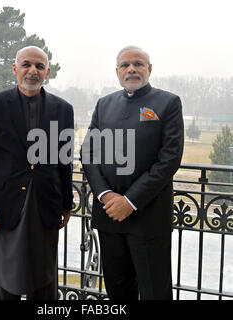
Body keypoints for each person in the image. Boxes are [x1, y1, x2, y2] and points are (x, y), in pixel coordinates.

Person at [81, 45, 184, 300]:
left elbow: (169, 159)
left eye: (138, 64)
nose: (131, 69)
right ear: (117, 71)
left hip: (148, 218)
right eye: (125, 65)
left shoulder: (168, 102)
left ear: (149, 69)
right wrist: (105, 195)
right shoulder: (104, 104)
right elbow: (88, 153)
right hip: (109, 217)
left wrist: (130, 201)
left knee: (154, 291)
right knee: (118, 291)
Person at [0, 46, 74, 300]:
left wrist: (66, 203)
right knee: (5, 274)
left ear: (47, 72)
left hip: (45, 204)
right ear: (14, 69)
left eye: (39, 66)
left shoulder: (63, 109)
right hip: (4, 206)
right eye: (26, 64)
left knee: (44, 275)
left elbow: (65, 160)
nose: (32, 71)